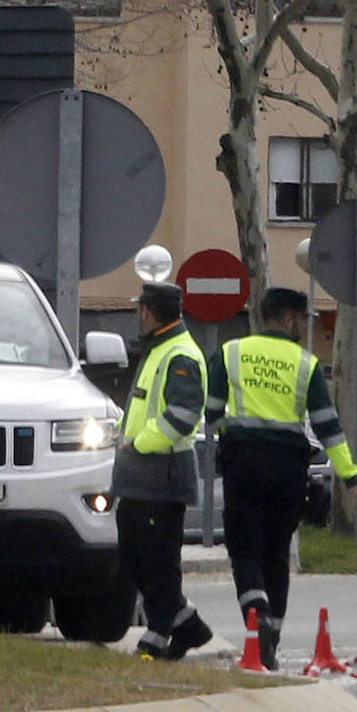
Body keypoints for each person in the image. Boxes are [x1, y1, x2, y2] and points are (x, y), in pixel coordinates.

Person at [205, 286, 357, 670]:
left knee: (244, 551)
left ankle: (256, 613)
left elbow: (211, 413)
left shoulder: (231, 353)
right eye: (302, 321)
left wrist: (234, 430)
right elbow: (328, 427)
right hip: (287, 470)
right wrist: (351, 479)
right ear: (290, 318)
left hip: (243, 465)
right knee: (277, 555)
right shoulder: (306, 364)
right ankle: (271, 641)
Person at [110, 281, 213, 660]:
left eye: (140, 309)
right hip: (141, 477)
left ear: (149, 312)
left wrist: (138, 443)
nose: (138, 315)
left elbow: (182, 418)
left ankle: (157, 633)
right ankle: (188, 625)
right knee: (134, 558)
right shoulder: (160, 349)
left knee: (157, 563)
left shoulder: (179, 354)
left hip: (162, 475)